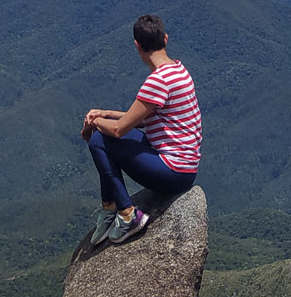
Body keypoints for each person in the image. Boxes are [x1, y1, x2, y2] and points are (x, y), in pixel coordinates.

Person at [81, 13, 202, 246]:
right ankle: (109, 210)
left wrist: (93, 123)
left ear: (137, 45)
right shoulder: (178, 71)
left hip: (173, 171)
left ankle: (127, 215)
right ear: (165, 39)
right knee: (104, 134)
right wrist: (104, 114)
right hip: (186, 167)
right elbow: (145, 120)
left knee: (99, 140)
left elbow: (117, 130)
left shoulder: (158, 81)